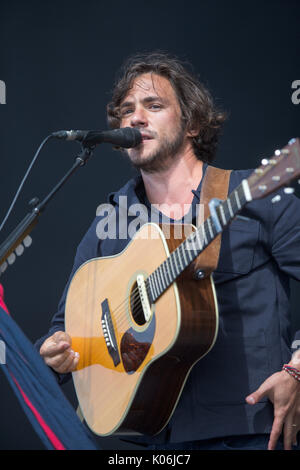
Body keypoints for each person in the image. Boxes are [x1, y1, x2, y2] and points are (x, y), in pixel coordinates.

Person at [35, 52, 300, 451]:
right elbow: (64, 326)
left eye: (153, 106)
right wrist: (56, 351)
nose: (135, 119)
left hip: (246, 429)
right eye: (126, 111)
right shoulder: (111, 221)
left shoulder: (255, 197)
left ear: (192, 123)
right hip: (149, 439)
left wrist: (297, 370)